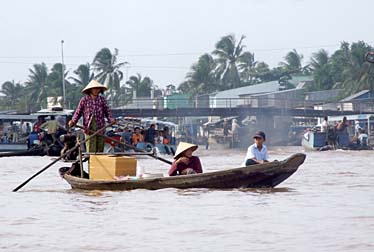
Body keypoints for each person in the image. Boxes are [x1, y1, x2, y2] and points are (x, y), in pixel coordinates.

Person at [68, 80, 115, 153]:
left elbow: (107, 112)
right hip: (89, 129)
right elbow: (78, 112)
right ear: (90, 90)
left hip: (100, 128)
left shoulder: (102, 100)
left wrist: (111, 120)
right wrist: (73, 121)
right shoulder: (84, 100)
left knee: (100, 150)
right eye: (94, 88)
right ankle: (91, 163)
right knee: (91, 150)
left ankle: (98, 164)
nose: (96, 90)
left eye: (98, 88)